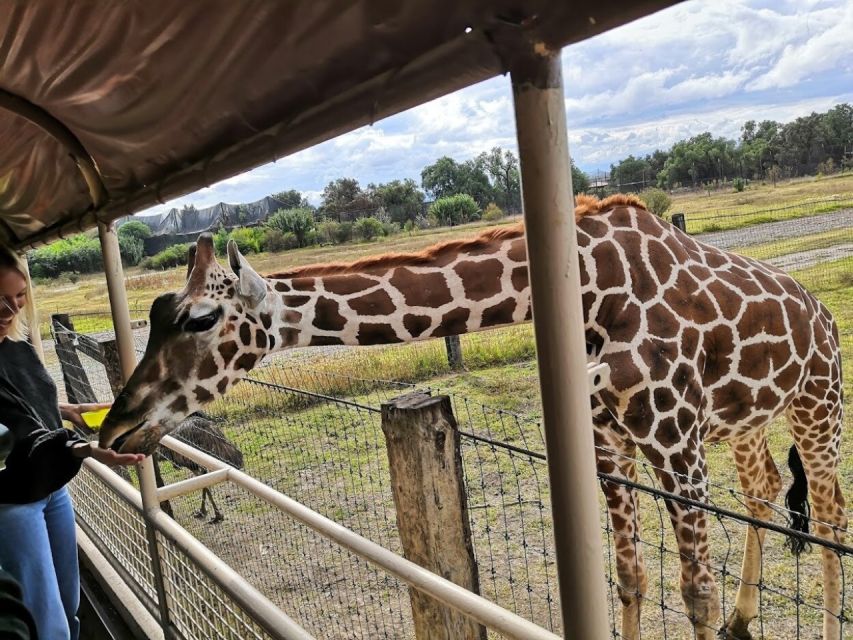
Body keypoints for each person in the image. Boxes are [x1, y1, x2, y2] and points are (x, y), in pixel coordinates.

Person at [0, 244, 145, 640]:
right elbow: (18, 437)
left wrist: (68, 409)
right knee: (49, 625)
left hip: (51, 487)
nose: (10, 310)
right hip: (13, 500)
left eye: (18, 297)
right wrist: (85, 449)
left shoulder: (16, 345)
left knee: (69, 604)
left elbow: (18, 405)